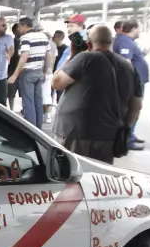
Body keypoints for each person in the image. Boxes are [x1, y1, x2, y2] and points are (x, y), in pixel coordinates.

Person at [51, 25, 141, 163]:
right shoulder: (129, 67)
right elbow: (136, 106)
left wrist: (72, 57)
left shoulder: (85, 58)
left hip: (75, 132)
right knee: (98, 174)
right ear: (112, 41)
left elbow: (56, 83)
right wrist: (123, 126)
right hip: (108, 136)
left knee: (71, 172)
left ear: (89, 43)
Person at [8, 17, 52, 128]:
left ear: (24, 25)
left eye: (19, 27)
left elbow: (24, 56)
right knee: (38, 102)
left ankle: (30, 130)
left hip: (27, 73)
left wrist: (15, 75)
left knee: (28, 103)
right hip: (39, 72)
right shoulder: (43, 36)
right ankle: (38, 129)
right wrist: (44, 71)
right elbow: (49, 55)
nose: (18, 29)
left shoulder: (25, 38)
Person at [114, 20, 150, 150]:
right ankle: (127, 139)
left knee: (132, 109)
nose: (140, 31)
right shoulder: (125, 41)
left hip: (135, 82)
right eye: (139, 28)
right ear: (133, 29)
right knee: (132, 109)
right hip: (132, 84)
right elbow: (126, 62)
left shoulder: (128, 41)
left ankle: (130, 135)